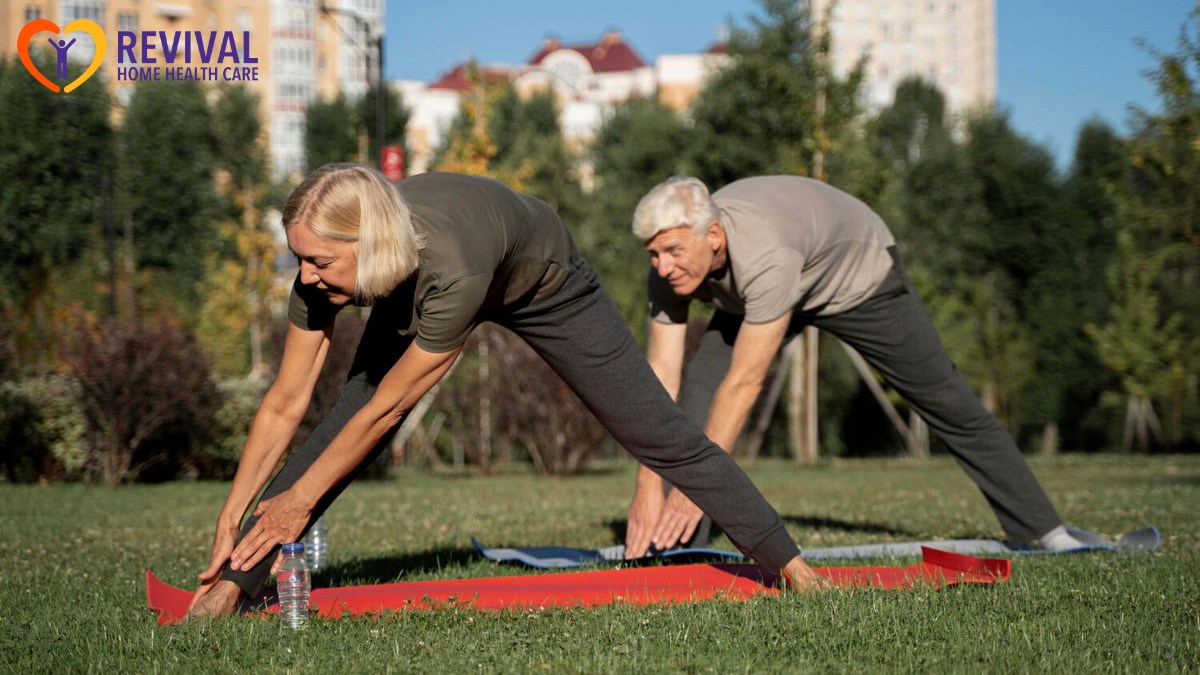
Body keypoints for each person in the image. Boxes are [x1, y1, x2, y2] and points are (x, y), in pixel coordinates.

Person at [186, 165, 826, 619]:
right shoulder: (325, 274)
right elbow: (284, 403)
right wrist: (231, 514)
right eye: (298, 258)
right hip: (425, 269)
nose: (306, 276)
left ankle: (792, 565)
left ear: (368, 243)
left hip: (544, 281)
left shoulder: (452, 266)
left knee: (655, 430)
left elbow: (390, 411)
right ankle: (233, 589)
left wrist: (297, 502)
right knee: (336, 422)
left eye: (320, 262)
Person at [623, 175, 1086, 559]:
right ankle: (680, 548)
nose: (662, 266)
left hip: (858, 276)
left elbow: (745, 383)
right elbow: (660, 377)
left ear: (714, 238)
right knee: (701, 391)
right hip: (762, 290)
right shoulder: (668, 265)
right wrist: (648, 483)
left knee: (944, 398)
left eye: (674, 252)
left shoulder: (767, 254)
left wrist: (692, 486)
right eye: (654, 254)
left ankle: (1043, 530)